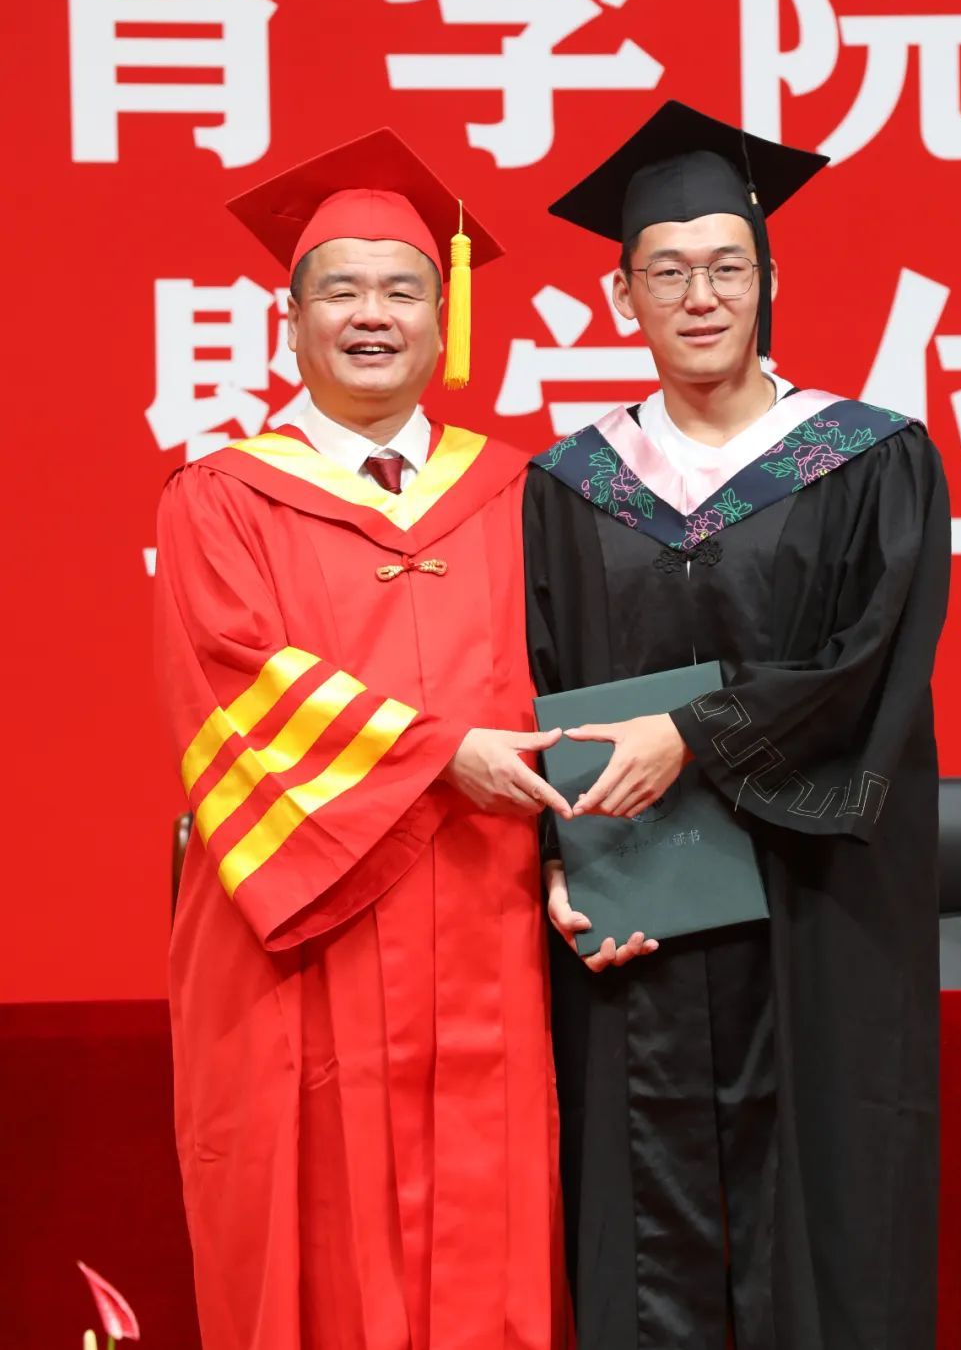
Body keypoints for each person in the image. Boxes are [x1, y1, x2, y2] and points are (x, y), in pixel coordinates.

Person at [524, 100, 951, 1350]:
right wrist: (555, 860)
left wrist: (695, 732)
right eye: (666, 272)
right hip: (638, 892)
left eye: (726, 267)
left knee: (829, 1194)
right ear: (621, 297)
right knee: (640, 1201)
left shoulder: (871, 459)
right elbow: (535, 680)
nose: (699, 296)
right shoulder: (567, 487)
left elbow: (867, 665)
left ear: (770, 280)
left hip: (819, 896)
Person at [156, 128, 572, 1350]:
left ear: (444, 322)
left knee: (497, 1212)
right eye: (340, 291)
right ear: (290, 322)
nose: (372, 315)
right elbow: (233, 685)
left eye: (402, 290)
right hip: (304, 924)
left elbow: (578, 685)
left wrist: (588, 859)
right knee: (313, 1218)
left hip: (494, 910)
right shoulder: (221, 498)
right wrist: (442, 754)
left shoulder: (522, 494)